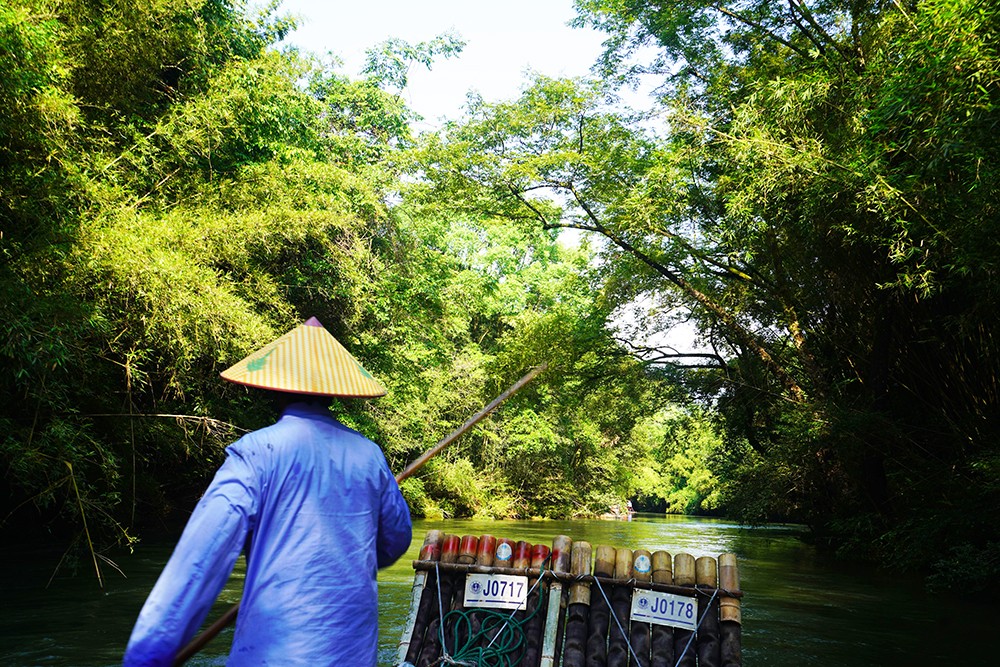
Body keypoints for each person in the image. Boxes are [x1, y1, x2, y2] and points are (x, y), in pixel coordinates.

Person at [123, 317, 412, 666]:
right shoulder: (370, 456)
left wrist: (145, 657)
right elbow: (395, 539)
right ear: (335, 392)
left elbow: (199, 564)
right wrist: (347, 561)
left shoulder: (255, 454)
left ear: (274, 388)